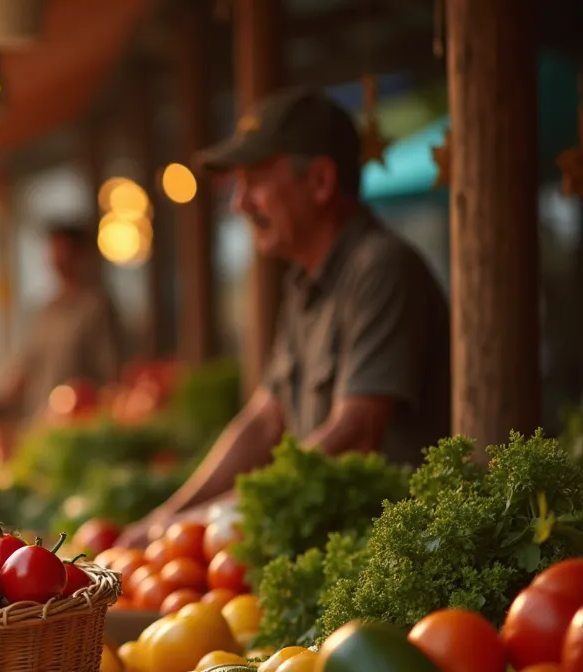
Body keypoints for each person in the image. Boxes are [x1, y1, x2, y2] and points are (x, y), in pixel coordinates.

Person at [118, 87, 450, 546]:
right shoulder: (304, 284)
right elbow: (262, 422)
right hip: (326, 544)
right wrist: (168, 516)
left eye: (253, 182)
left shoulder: (382, 269)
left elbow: (355, 433)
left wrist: (201, 521)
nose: (238, 204)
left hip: (387, 555)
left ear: (320, 181)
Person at [0, 224, 128, 425]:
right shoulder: (47, 311)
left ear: (80, 255)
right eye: (53, 250)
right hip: (43, 422)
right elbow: (27, 365)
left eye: (62, 249)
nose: (56, 257)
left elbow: (111, 371)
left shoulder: (96, 308)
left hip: (82, 424)